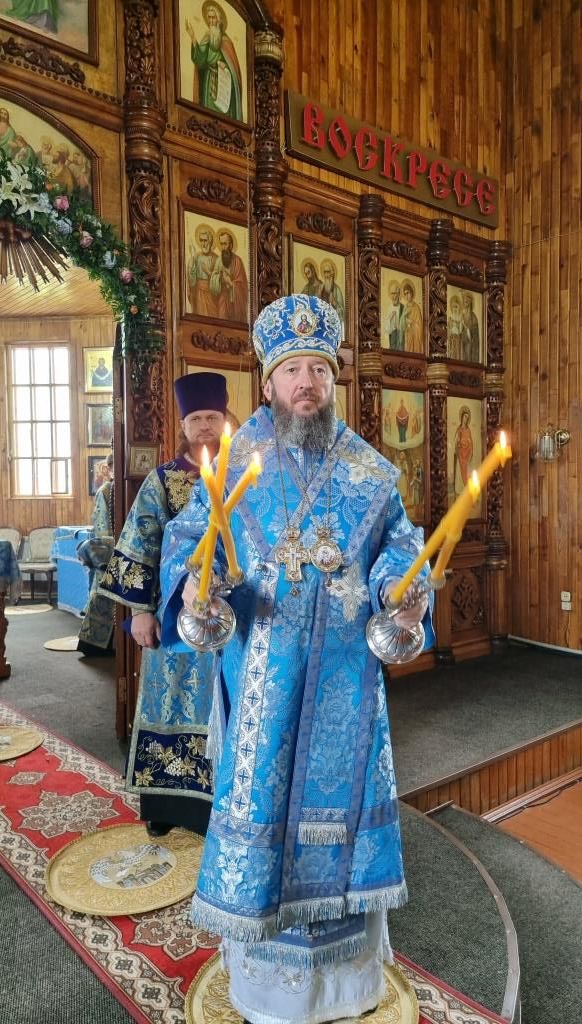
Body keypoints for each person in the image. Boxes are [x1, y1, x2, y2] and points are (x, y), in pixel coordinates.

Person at [158, 294, 434, 1024]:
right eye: (292, 370)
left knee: (338, 825)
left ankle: (345, 989)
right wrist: (197, 588)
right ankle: (267, 993)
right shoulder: (235, 463)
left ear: (332, 377)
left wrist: (403, 593)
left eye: (317, 368)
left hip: (347, 688)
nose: (305, 382)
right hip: (262, 682)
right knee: (262, 811)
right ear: (269, 381)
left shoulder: (370, 473)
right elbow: (188, 545)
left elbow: (399, 550)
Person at [99, 372, 229, 838]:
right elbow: (140, 543)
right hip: (174, 620)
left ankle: (221, 808)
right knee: (171, 702)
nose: (205, 426)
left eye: (212, 417)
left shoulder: (245, 475)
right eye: (196, 419)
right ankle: (166, 807)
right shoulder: (163, 480)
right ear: (184, 425)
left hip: (231, 621)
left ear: (224, 419)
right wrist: (139, 611)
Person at [77, 452, 117, 657]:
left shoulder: (106, 490)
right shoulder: (114, 490)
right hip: (121, 550)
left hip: (109, 551)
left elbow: (102, 528)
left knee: (102, 596)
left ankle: (98, 646)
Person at [186, 1, 243, 121]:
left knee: (223, 116)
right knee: (207, 113)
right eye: (209, 18)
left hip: (223, 84)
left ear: (219, 19)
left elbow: (234, 73)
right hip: (209, 81)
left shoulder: (226, 42)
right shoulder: (207, 37)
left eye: (213, 17)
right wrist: (193, 38)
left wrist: (224, 66)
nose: (211, 21)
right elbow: (200, 60)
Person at [213, 228, 249, 322]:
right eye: (221, 244)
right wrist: (220, 278)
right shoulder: (218, 261)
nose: (223, 247)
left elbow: (243, 286)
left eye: (225, 244)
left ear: (231, 245)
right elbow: (213, 280)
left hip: (235, 302)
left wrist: (231, 283)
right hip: (223, 299)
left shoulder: (238, 261)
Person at [187, 225, 222, 319]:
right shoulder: (196, 257)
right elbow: (192, 281)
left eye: (205, 240)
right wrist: (193, 260)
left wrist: (208, 273)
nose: (203, 244)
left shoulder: (217, 259)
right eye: (201, 240)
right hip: (199, 295)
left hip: (212, 296)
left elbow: (220, 284)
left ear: (210, 241)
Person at [398, 278, 424, 353]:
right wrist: (404, 319)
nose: (407, 296)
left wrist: (412, 323)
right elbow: (401, 325)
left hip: (415, 338)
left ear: (412, 293)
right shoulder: (405, 308)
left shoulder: (416, 307)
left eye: (408, 293)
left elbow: (420, 326)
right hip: (407, 336)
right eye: (405, 294)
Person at [453, 405, 474, 491]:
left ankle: (467, 489)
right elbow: (455, 442)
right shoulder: (459, 429)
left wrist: (470, 451)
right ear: (462, 417)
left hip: (467, 453)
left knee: (467, 472)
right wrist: (459, 443)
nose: (466, 419)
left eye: (467, 417)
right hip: (460, 454)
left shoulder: (468, 430)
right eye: (465, 416)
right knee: (459, 472)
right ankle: (459, 490)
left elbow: (471, 442)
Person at [320, 258, 346, 324]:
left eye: (328, 272)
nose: (326, 275)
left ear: (332, 273)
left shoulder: (337, 290)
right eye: (324, 272)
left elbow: (342, 312)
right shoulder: (321, 288)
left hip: (333, 322)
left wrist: (335, 304)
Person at [384, 278, 405, 349]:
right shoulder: (389, 308)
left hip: (401, 337)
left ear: (398, 294)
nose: (393, 296)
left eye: (394, 293)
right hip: (393, 336)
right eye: (391, 294)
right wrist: (390, 318)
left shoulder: (403, 307)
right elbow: (386, 327)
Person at [460, 292, 480, 362]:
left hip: (469, 343)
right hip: (461, 342)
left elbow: (475, 336)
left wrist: (467, 329)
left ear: (470, 303)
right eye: (464, 301)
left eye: (466, 301)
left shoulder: (473, 317)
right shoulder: (462, 315)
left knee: (468, 358)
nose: (464, 303)